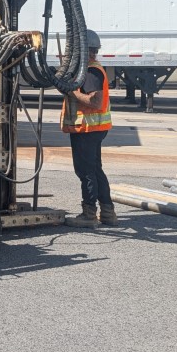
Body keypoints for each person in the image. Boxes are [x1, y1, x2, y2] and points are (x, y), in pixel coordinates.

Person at [60, 29, 116, 227]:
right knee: (95, 169)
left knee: (86, 172)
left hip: (88, 129)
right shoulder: (90, 69)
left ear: (83, 51)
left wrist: (71, 92)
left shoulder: (90, 71)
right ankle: (108, 213)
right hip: (93, 129)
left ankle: (89, 214)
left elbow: (95, 101)